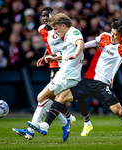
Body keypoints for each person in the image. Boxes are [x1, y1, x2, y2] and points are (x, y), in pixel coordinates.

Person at [27, 19, 122, 142]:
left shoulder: (121, 49)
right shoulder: (104, 36)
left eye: (115, 35)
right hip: (87, 82)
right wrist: (58, 56)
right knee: (60, 97)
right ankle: (45, 125)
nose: (112, 36)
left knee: (120, 112)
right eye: (111, 32)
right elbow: (86, 45)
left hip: (102, 85)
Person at [13, 11, 89, 142]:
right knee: (55, 99)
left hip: (66, 75)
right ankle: (47, 126)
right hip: (65, 74)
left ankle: (54, 123)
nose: (55, 32)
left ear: (63, 25)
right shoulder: (65, 35)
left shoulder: (73, 33)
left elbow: (81, 44)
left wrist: (76, 55)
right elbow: (65, 52)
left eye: (56, 29)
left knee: (42, 97)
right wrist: (49, 57)